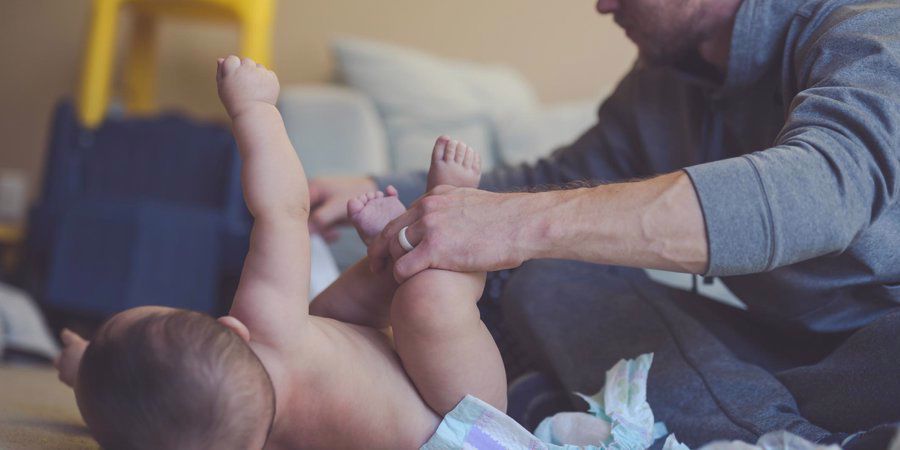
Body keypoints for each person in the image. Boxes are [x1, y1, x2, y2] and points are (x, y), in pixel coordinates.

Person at [308, 0, 900, 447]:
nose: (603, 5)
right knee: (546, 279)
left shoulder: (866, 31)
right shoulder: (662, 85)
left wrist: (518, 225)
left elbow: (824, 184)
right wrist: (381, 187)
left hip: (878, 352)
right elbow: (560, 175)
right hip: (782, 357)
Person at [53, 55, 507, 449]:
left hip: (404, 406)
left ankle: (389, 259)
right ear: (232, 329)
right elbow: (283, 211)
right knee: (423, 304)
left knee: (325, 318)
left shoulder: (231, 436)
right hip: (468, 425)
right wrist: (254, 110)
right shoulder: (265, 325)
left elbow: (141, 402)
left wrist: (89, 375)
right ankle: (443, 211)